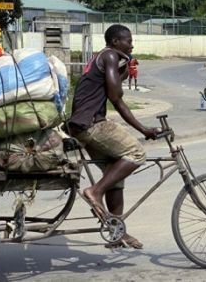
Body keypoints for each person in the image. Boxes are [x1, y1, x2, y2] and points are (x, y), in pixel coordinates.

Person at [67, 24, 160, 249]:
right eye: (128, 40)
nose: (132, 44)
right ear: (116, 42)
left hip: (81, 125)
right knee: (136, 153)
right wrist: (144, 130)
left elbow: (110, 86)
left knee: (116, 177)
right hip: (92, 124)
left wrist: (124, 68)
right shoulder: (109, 55)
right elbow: (116, 98)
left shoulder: (103, 58)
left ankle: (117, 233)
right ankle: (95, 191)